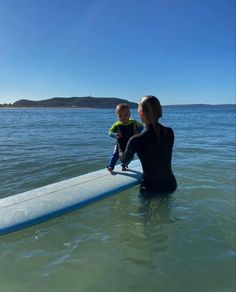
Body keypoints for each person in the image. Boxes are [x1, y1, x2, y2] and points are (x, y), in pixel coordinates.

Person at [119, 95, 177, 195]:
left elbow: (124, 159)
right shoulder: (169, 132)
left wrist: (119, 143)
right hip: (170, 184)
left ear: (141, 112)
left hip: (150, 188)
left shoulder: (136, 139)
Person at [107, 103, 143, 172]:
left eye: (126, 115)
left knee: (130, 156)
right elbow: (110, 132)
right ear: (117, 115)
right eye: (120, 115)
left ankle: (124, 165)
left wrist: (137, 132)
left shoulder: (133, 122)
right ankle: (111, 167)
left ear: (129, 114)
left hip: (130, 144)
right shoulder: (117, 124)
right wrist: (115, 135)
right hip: (119, 144)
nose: (123, 117)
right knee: (115, 154)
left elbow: (142, 127)